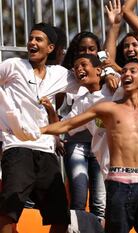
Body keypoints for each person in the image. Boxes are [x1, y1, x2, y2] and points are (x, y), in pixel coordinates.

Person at [40, 60, 138, 233]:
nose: (127, 74)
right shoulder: (108, 109)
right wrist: (38, 131)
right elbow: (67, 125)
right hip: (118, 184)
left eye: (133, 71)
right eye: (124, 71)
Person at [0, 22, 80, 233]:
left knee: (61, 216)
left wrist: (107, 70)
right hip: (16, 146)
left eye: (38, 39)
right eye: (31, 38)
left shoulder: (60, 74)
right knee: (9, 211)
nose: (31, 43)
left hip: (46, 150)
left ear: (51, 48)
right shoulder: (13, 65)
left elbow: (90, 78)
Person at [60, 31, 106, 221]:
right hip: (76, 143)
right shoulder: (70, 77)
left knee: (100, 203)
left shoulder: (110, 82)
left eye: (92, 49)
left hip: (100, 147)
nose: (87, 52)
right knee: (78, 200)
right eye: (82, 50)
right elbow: (67, 119)